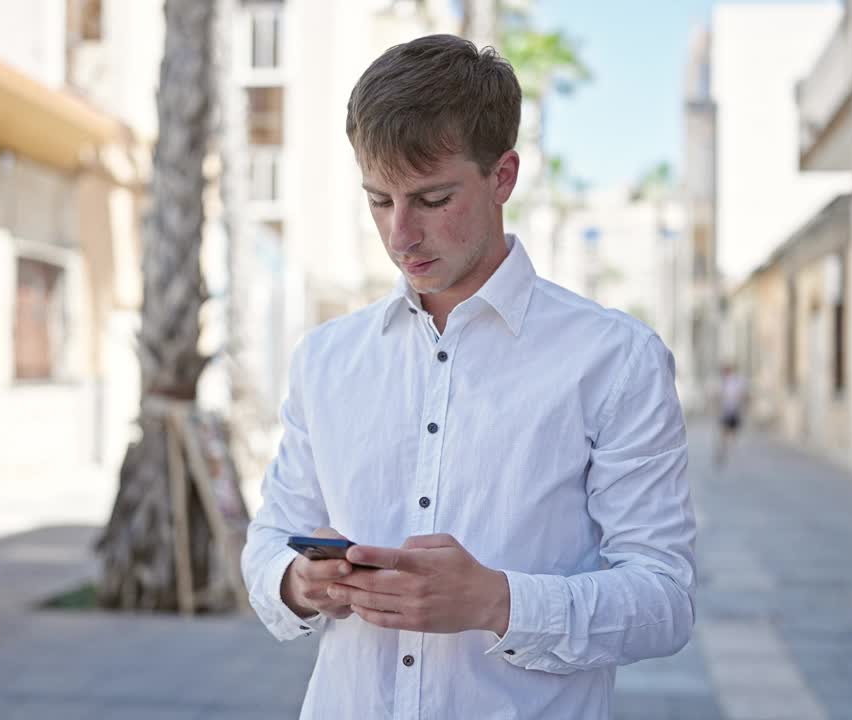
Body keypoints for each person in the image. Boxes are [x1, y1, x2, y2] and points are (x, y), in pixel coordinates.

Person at [240, 34, 696, 720]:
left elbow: (665, 598)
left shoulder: (615, 360)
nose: (400, 236)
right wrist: (299, 582)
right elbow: (268, 542)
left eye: (430, 198)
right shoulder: (326, 359)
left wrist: (497, 601)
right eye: (378, 200)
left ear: (503, 176)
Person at [714, 363, 747, 467]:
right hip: (727, 410)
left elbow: (740, 394)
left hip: (733, 409)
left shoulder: (735, 381)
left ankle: (730, 448)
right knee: (725, 430)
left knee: (731, 431)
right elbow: (720, 395)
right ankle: (726, 448)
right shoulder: (724, 382)